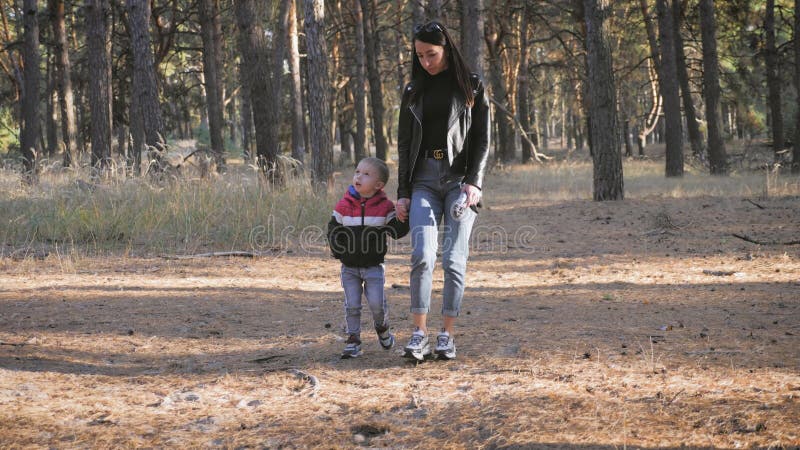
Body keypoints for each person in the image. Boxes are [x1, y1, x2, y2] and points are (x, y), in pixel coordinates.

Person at [395, 21, 490, 360]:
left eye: (431, 54)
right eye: (419, 55)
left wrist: (475, 181)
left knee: (453, 260)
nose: (425, 62)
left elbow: (482, 138)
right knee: (422, 255)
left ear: (446, 48)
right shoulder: (412, 91)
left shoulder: (472, 86)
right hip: (422, 181)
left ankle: (447, 335)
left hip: (459, 181)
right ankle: (418, 333)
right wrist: (403, 192)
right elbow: (404, 144)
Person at [328, 157, 410, 358]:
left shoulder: (384, 207)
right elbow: (333, 228)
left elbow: (396, 232)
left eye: (366, 174)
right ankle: (353, 340)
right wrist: (339, 251)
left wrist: (403, 217)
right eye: (357, 171)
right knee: (352, 305)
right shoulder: (344, 204)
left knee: (376, 304)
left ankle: (382, 327)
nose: (358, 176)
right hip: (349, 267)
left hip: (373, 267)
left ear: (378, 185)